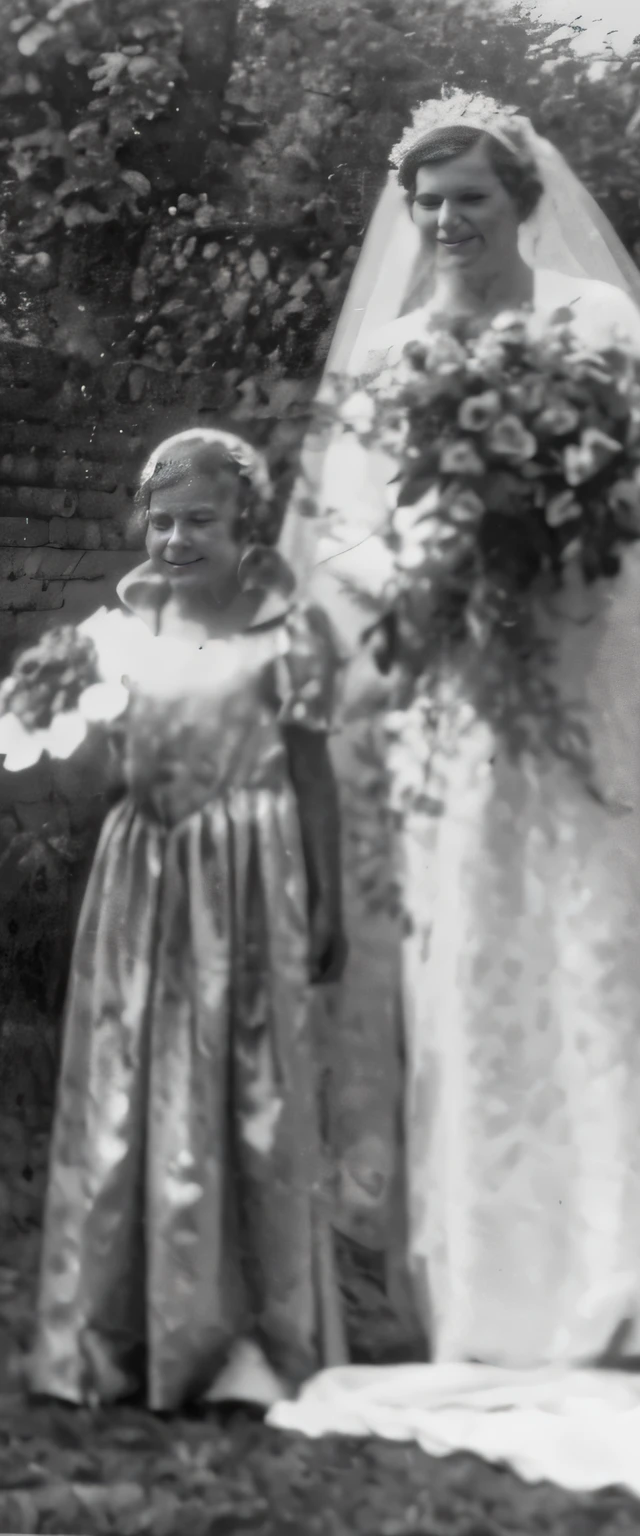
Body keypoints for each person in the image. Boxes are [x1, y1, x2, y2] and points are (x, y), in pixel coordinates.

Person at [267, 96, 640, 1504]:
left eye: (471, 197)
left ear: (521, 200)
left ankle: (619, 1289)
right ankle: (484, 1297)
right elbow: (341, 527)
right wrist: (422, 572)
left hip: (580, 690)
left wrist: (548, 548)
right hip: (460, 700)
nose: (447, 222)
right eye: (428, 203)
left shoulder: (598, 326)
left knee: (593, 958)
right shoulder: (405, 350)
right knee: (470, 963)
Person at [29, 429, 347, 1412]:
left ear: (242, 523)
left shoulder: (286, 636)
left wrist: (329, 893)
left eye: (199, 521)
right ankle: (123, 1326)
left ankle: (246, 1332)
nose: (175, 539)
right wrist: (60, 718)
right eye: (160, 521)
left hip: (248, 878)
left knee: (245, 1086)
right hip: (145, 879)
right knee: (132, 1084)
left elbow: (310, 773)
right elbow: (89, 771)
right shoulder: (112, 636)